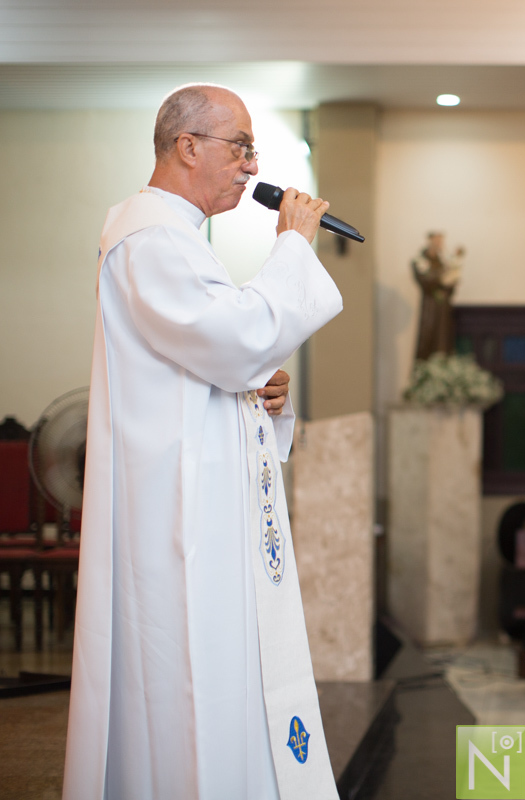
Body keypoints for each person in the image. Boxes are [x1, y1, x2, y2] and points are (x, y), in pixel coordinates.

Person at [65, 84, 343, 800]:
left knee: (226, 685)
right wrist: (293, 243)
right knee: (194, 688)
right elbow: (232, 338)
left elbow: (218, 357)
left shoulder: (175, 238)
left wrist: (262, 390)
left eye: (254, 149)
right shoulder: (150, 237)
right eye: (241, 146)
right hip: (180, 522)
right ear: (187, 146)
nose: (252, 165)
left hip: (204, 507)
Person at [411, 230, 464, 360]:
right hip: (430, 307)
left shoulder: (444, 262)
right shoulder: (420, 261)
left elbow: (450, 285)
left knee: (443, 341)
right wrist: (441, 277)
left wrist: (452, 277)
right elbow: (425, 281)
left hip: (443, 308)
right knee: (428, 339)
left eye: (441, 241)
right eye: (436, 240)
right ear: (430, 241)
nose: (439, 244)